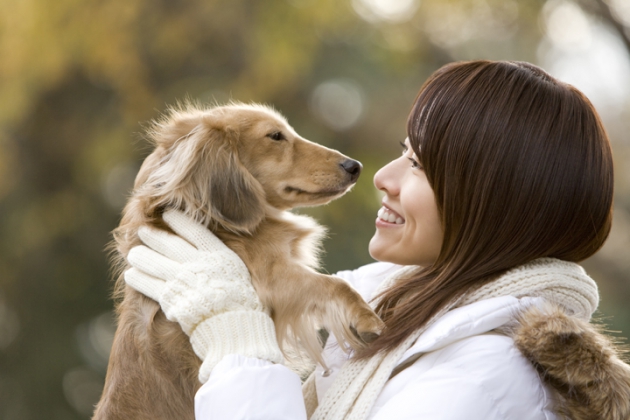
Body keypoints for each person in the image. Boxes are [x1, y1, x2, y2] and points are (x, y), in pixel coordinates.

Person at [124, 60, 630, 419]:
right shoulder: (393, 316)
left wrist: (238, 341)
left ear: (495, 199)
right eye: (401, 152)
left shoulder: (481, 381)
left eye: (418, 165)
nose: (383, 176)